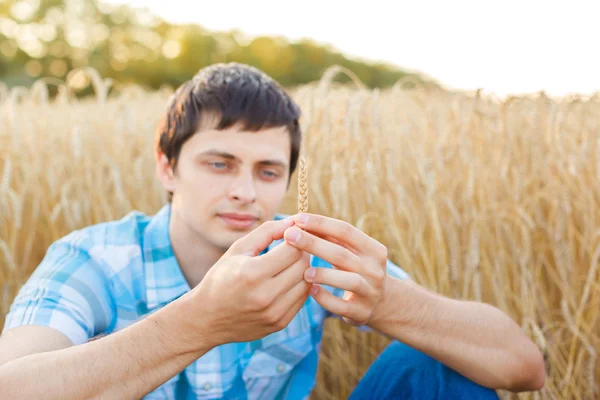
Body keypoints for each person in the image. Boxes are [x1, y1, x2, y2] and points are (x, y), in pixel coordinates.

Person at [0, 63, 545, 400]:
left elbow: (524, 367)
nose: (245, 191)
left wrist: (387, 300)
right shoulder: (94, 259)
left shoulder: (302, 253)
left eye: (268, 172)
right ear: (167, 167)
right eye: (219, 163)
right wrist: (199, 322)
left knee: (433, 365)